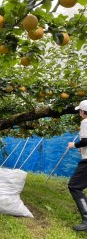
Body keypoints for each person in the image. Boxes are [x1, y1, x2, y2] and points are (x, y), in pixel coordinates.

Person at [67, 99, 87, 231]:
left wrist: (74, 145)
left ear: (82, 111)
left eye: (79, 110)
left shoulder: (85, 122)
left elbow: (86, 140)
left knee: (74, 186)